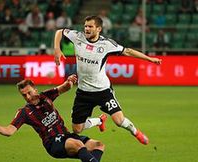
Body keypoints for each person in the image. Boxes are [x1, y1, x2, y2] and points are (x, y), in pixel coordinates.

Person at [53, 15, 162, 145]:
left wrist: (150, 59)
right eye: (85, 26)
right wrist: (57, 49)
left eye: (90, 26)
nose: (86, 29)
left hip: (102, 90)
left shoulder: (106, 44)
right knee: (77, 130)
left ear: (98, 29)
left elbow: (128, 51)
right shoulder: (78, 37)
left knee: (119, 120)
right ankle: (99, 121)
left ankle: (135, 132)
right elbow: (59, 32)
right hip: (83, 92)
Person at [0, 74, 105, 162]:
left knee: (98, 145)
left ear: (35, 89)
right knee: (78, 144)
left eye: (29, 93)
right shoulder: (24, 112)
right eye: (24, 95)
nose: (28, 97)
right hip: (53, 143)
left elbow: (64, 88)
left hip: (66, 136)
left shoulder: (46, 97)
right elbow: (10, 130)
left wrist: (69, 81)